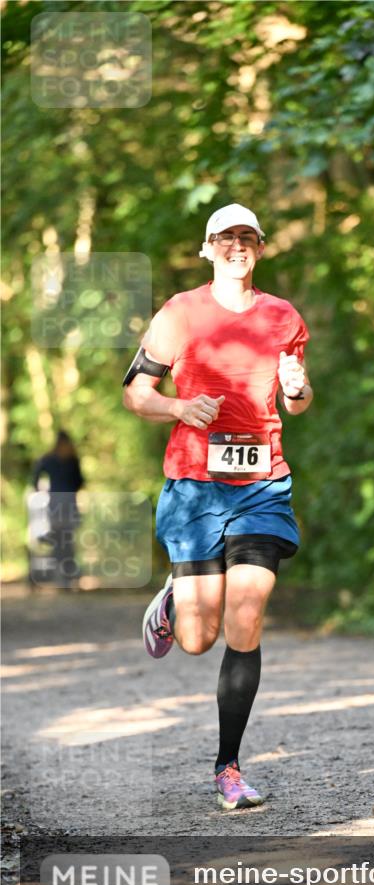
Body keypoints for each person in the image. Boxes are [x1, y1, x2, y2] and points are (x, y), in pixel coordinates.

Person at [122, 203, 313, 810]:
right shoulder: (180, 314)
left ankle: (228, 767)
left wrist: (296, 388)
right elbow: (136, 392)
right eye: (225, 239)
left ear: (260, 247)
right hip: (194, 489)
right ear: (207, 248)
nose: (237, 247)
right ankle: (178, 599)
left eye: (247, 239)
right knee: (199, 638)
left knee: (247, 617)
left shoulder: (283, 316)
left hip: (263, 485)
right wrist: (180, 409)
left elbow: (301, 397)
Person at [32, 430, 84, 586]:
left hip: (56, 503)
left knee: (58, 538)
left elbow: (35, 476)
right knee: (66, 539)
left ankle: (60, 574)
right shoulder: (71, 459)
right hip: (67, 503)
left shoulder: (49, 459)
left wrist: (41, 490)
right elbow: (79, 481)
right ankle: (66, 574)